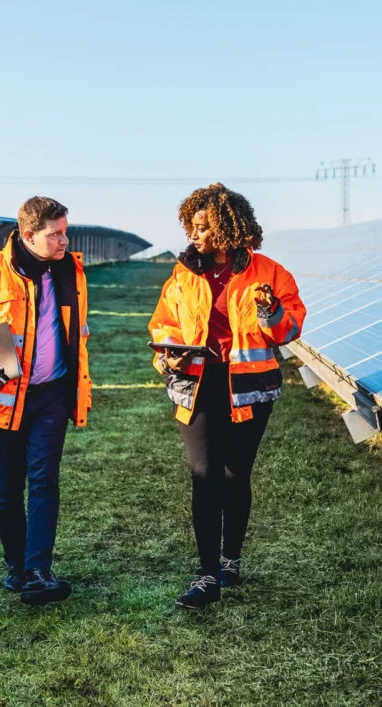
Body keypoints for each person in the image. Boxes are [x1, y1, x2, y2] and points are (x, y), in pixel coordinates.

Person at [148, 183, 306, 609]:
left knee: (236, 475)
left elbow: (290, 330)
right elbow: (164, 326)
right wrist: (168, 358)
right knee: (204, 474)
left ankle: (230, 559)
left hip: (249, 387)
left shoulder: (271, 273)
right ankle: (207, 575)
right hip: (196, 385)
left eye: (201, 228)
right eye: (190, 227)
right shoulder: (183, 273)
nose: (193, 236)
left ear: (226, 227)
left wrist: (271, 312)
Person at [0, 197, 92, 605]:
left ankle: (39, 571)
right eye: (55, 234)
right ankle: (16, 568)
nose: (64, 241)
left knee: (44, 480)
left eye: (65, 232)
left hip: (52, 396)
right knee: (9, 487)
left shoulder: (71, 272)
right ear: (28, 235)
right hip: (2, 399)